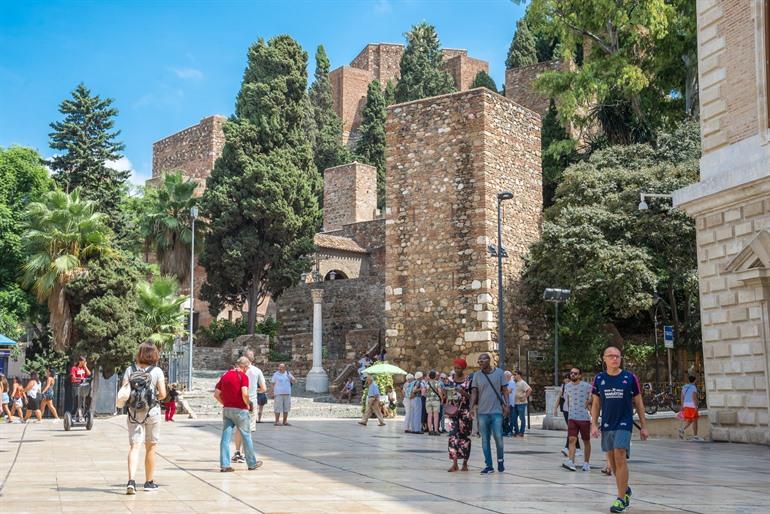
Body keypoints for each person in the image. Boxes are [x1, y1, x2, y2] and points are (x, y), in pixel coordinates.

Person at [591, 346, 649, 513]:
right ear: (604, 359)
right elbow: (596, 403)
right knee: (613, 461)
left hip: (624, 423)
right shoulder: (599, 378)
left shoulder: (630, 378)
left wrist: (644, 426)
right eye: (611, 356)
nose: (615, 359)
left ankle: (620, 499)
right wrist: (594, 424)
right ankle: (626, 490)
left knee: (619, 454)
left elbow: (638, 403)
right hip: (607, 424)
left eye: (617, 356)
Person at [122, 341, 167, 494]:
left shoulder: (130, 370)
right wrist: (152, 398)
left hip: (134, 413)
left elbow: (125, 391)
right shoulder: (157, 371)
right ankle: (149, 482)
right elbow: (163, 394)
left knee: (134, 446)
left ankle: (131, 481)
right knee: (151, 447)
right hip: (152, 412)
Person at [214, 356, 261, 472]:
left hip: (227, 409)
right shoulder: (243, 377)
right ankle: (251, 463)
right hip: (240, 410)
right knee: (246, 436)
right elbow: (244, 393)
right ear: (244, 367)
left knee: (225, 437)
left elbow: (216, 394)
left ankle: (225, 465)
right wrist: (248, 404)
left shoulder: (225, 375)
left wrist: (225, 402)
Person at [470, 353, 509, 474]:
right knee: (485, 440)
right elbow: (474, 392)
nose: (480, 363)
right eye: (479, 361)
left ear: (489, 361)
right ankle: (489, 465)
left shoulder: (499, 373)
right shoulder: (476, 375)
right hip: (482, 412)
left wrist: (506, 405)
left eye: (482, 361)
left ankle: (500, 461)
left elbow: (505, 390)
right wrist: (471, 407)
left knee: (498, 437)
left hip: (496, 411)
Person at [232, 350, 266, 463]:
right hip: (251, 401)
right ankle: (247, 453)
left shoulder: (236, 371)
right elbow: (264, 388)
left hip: (238, 401)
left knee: (239, 428)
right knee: (248, 430)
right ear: (253, 359)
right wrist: (255, 390)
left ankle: (238, 452)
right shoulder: (257, 371)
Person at [558, 367, 593, 472]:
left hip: (584, 418)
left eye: (575, 373)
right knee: (572, 439)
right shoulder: (567, 386)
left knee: (586, 440)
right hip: (572, 417)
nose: (572, 375)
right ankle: (571, 462)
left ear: (580, 375)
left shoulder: (587, 386)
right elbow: (567, 400)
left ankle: (586, 463)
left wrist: (589, 402)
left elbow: (595, 396)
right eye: (571, 373)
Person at [447, 358, 472, 472]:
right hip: (453, 412)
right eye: (455, 368)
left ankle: (465, 463)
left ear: (463, 368)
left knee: (464, 437)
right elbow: (448, 395)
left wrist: (463, 393)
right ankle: (455, 463)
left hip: (464, 412)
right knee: (452, 437)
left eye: (459, 368)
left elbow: (473, 397)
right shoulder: (450, 380)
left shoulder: (468, 381)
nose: (456, 370)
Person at [554, 373, 581, 457]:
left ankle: (569, 447)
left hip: (574, 410)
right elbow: (559, 397)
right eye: (565, 378)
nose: (566, 380)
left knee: (571, 429)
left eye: (567, 378)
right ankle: (576, 448)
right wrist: (555, 408)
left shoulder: (575, 387)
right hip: (566, 410)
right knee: (571, 429)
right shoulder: (564, 386)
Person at [679, 375, 702, 441]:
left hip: (686, 405)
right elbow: (694, 397)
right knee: (695, 420)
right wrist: (696, 406)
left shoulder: (684, 387)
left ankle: (682, 429)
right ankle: (695, 436)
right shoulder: (693, 387)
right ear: (694, 380)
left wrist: (682, 406)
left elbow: (682, 397)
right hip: (692, 405)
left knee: (690, 420)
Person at [510, 369, 531, 437]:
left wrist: (525, 397)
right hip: (515, 403)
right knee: (514, 418)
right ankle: (517, 431)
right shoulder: (514, 383)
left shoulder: (522, 382)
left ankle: (521, 432)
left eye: (515, 374)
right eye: (513, 375)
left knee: (522, 418)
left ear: (519, 375)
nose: (514, 376)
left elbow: (529, 390)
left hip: (521, 403)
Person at [69, 356, 91, 420]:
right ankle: (73, 416)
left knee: (83, 401)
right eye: (83, 362)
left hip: (83, 386)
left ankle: (82, 416)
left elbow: (89, 374)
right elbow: (73, 376)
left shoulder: (84, 368)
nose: (84, 363)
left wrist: (85, 366)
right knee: (76, 401)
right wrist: (77, 378)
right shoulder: (74, 368)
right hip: (76, 386)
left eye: (85, 362)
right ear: (80, 361)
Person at [424, 370, 444, 435]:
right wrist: (442, 399)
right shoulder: (437, 383)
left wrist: (427, 396)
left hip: (428, 400)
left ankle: (430, 430)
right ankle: (436, 430)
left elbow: (423, 393)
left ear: (429, 376)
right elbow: (440, 391)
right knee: (436, 416)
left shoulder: (426, 383)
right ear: (435, 376)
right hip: (436, 400)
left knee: (429, 415)